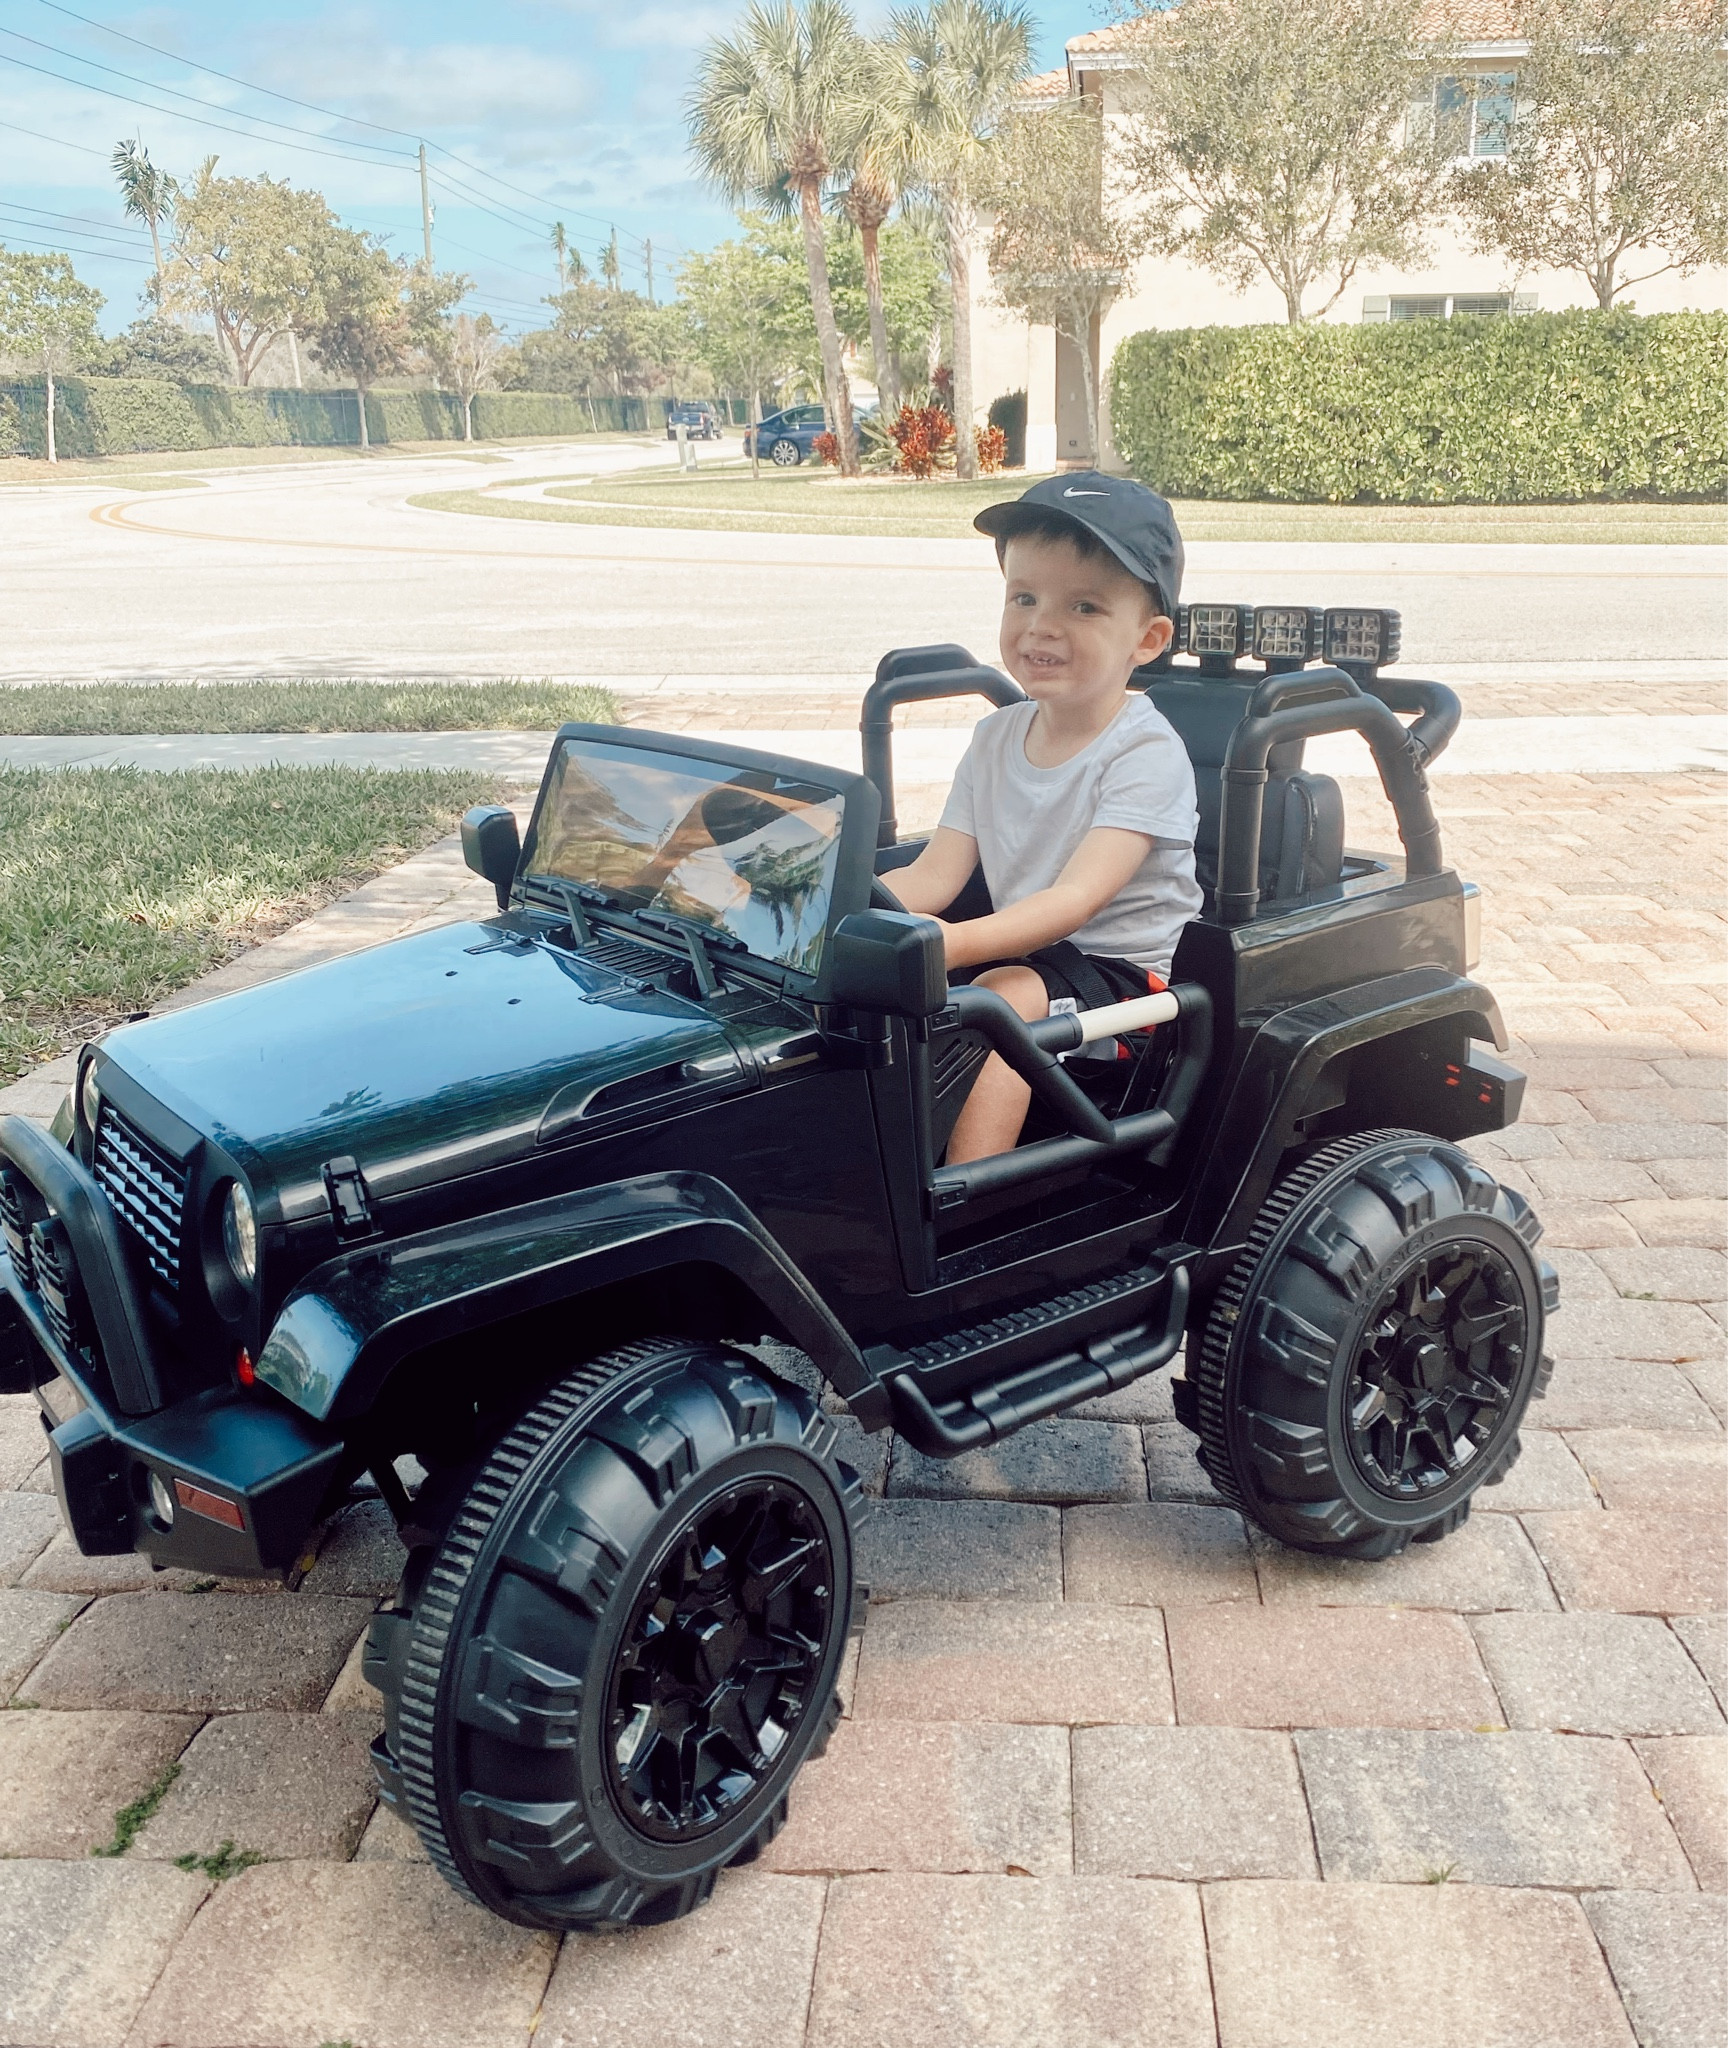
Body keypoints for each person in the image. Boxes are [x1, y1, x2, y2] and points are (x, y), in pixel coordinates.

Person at [888, 471, 1202, 1163]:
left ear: (1146, 639)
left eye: (1084, 607)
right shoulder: (996, 737)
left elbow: (1073, 900)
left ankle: (966, 1199)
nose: (1041, 625)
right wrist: (849, 907)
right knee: (884, 990)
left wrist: (950, 947)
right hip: (1027, 950)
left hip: (1133, 984)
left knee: (1001, 996)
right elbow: (936, 872)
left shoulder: (1146, 754)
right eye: (1023, 596)